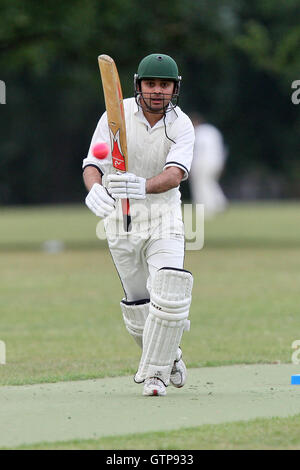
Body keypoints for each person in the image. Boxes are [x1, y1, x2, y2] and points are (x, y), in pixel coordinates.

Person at [82, 53, 195, 397]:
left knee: (169, 291)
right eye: (151, 84)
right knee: (138, 304)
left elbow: (175, 174)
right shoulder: (115, 116)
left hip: (164, 216)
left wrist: (142, 185)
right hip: (120, 221)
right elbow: (93, 163)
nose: (158, 91)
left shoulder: (181, 124)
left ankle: (155, 377)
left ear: (174, 88)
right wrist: (94, 189)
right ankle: (170, 355)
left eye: (165, 85)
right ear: (139, 85)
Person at [189, 113, 227, 218]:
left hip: (202, 162)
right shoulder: (213, 130)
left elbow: (197, 151)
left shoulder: (196, 132)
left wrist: (191, 166)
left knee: (201, 185)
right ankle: (219, 204)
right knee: (210, 182)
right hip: (216, 161)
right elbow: (222, 148)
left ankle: (207, 208)